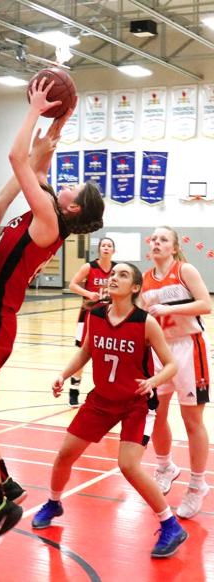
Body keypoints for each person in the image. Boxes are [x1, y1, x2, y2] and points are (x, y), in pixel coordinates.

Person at [0, 79, 105, 554]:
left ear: (74, 205)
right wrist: (59, 120)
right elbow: (36, 162)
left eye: (74, 187)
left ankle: (0, 500)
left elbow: (19, 162)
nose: (66, 181)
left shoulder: (50, 220)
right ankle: (6, 490)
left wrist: (34, 110)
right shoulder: (51, 210)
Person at [32, 262, 187, 559]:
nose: (114, 278)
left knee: (129, 465)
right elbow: (87, 350)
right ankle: (53, 502)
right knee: (65, 454)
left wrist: (154, 380)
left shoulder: (145, 322)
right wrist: (63, 375)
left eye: (123, 275)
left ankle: (171, 525)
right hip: (101, 400)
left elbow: (171, 364)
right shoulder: (96, 314)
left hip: (136, 404)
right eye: (113, 274)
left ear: (136, 288)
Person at [141, 226, 211, 519]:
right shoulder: (145, 279)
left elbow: (206, 305)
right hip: (160, 350)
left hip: (188, 348)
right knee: (156, 411)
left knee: (191, 418)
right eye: (154, 239)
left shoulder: (186, 270)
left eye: (163, 239)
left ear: (173, 247)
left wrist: (168, 309)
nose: (157, 243)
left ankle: (197, 485)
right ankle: (165, 466)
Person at [67, 237, 116, 407]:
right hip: (89, 314)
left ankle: (105, 391)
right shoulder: (89, 267)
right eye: (103, 245)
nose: (106, 248)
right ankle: (74, 389)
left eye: (109, 246)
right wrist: (88, 294)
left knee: (107, 353)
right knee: (84, 352)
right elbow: (73, 285)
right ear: (99, 249)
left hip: (109, 315)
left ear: (113, 251)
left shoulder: (117, 269)